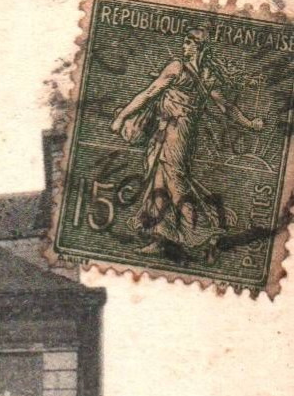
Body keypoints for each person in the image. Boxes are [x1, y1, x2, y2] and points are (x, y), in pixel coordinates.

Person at [109, 25, 265, 258]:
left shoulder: (178, 68)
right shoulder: (208, 76)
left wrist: (122, 117)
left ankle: (202, 237)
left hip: (175, 133)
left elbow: (149, 93)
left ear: (197, 46)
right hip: (171, 132)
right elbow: (227, 108)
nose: (183, 47)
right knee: (159, 182)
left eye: (187, 43)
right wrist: (250, 123)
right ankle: (161, 237)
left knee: (175, 184)